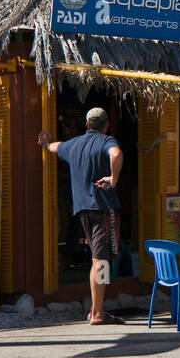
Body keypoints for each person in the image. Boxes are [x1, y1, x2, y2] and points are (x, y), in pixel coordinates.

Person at [39, 108, 124, 325]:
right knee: (101, 261)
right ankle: (97, 313)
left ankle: (99, 308)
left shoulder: (74, 144)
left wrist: (46, 143)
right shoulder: (107, 141)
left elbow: (56, 147)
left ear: (87, 125)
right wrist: (113, 179)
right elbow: (116, 154)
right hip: (103, 208)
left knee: (100, 258)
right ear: (107, 125)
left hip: (82, 210)